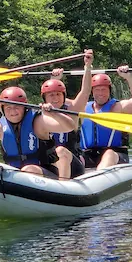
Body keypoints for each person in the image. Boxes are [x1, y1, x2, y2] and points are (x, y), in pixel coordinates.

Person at [0, 85, 75, 178]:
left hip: (43, 172)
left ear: (24, 107)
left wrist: (55, 113)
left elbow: (69, 126)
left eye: (17, 107)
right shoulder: (1, 129)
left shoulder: (38, 123)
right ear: (3, 109)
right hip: (14, 175)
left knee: (28, 169)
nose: (13, 111)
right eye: (8, 107)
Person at [40, 49, 93, 179]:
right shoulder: (41, 114)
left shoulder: (72, 111)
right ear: (45, 99)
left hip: (73, 163)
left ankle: (64, 186)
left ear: (64, 96)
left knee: (60, 151)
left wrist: (87, 67)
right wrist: (54, 79)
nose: (55, 98)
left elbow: (85, 92)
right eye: (51, 95)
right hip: (51, 163)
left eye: (58, 94)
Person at [80, 65, 132, 170]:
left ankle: (99, 177)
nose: (101, 93)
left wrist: (129, 77)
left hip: (115, 154)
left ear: (109, 90)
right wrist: (54, 80)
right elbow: (57, 102)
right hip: (88, 155)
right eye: (97, 90)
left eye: (104, 89)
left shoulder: (118, 107)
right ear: (92, 91)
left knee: (108, 154)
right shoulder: (83, 107)